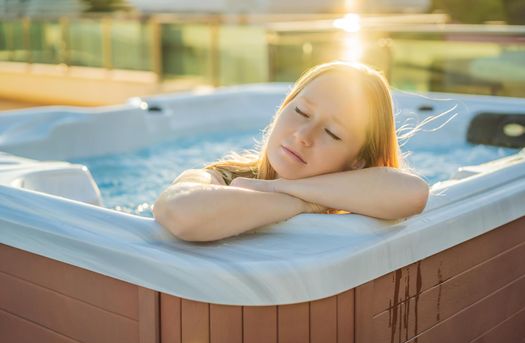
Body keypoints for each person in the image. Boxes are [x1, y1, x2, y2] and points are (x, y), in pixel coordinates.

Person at [153, 61, 429, 242]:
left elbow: (413, 193)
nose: (302, 135)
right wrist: (299, 203)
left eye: (332, 133)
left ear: (358, 161)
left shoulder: (359, 203)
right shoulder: (225, 176)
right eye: (301, 111)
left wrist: (279, 191)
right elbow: (179, 211)